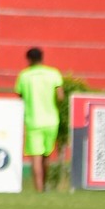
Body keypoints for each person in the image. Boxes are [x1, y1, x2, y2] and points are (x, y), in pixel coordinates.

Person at [15, 47, 65, 194]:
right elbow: (60, 96)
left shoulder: (24, 76)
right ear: (42, 58)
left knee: (35, 157)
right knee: (46, 156)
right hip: (51, 120)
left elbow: (20, 95)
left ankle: (39, 190)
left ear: (29, 60)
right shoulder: (53, 73)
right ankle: (44, 185)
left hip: (33, 120)